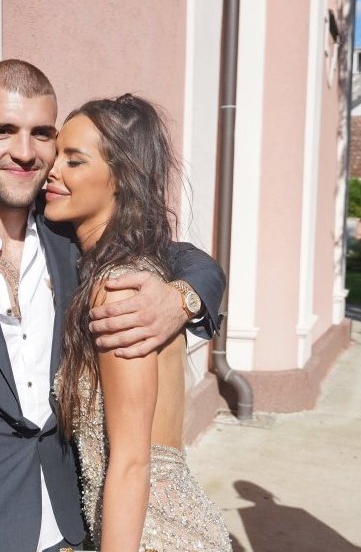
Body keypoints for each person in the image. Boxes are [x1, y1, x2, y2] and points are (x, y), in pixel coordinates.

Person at [0, 60, 225, 552]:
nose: (25, 152)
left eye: (42, 134)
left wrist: (181, 298)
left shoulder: (70, 235)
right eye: (2, 131)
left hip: (70, 528)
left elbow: (183, 257)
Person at [48, 94, 232, 552]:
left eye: (74, 161)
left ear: (122, 178)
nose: (52, 170)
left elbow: (132, 462)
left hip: (152, 534)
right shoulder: (137, 272)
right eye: (56, 155)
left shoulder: (121, 290)